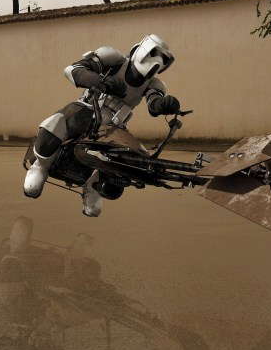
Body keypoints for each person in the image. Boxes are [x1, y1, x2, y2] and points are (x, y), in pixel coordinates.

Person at [23, 34, 182, 216]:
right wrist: (100, 81)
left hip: (114, 126)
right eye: (155, 54)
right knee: (56, 123)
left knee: (124, 158)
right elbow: (73, 70)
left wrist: (163, 105)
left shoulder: (154, 84)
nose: (157, 61)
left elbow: (153, 103)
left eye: (163, 59)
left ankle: (93, 188)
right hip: (86, 109)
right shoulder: (114, 59)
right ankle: (40, 166)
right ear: (143, 50)